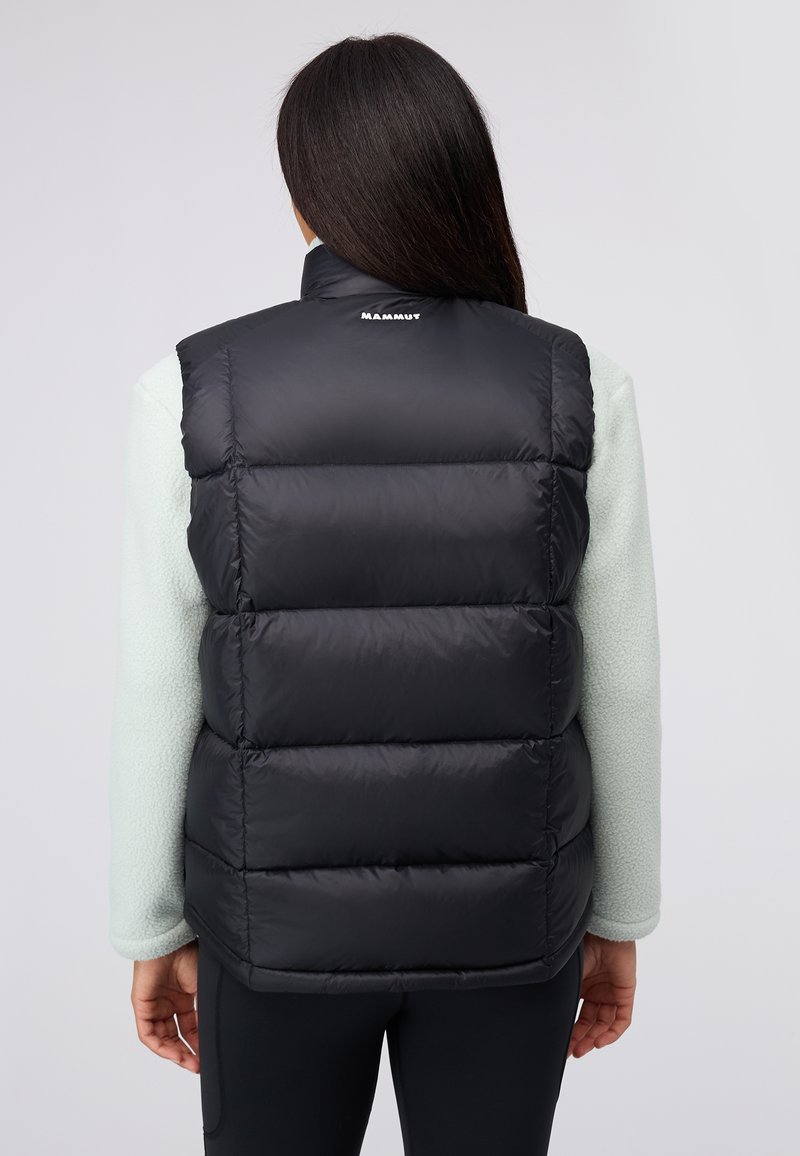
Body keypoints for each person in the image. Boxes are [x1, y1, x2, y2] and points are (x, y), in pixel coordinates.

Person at [109, 32, 661, 1156]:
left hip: (271, 931)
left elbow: (156, 681)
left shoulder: (195, 387)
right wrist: (619, 912)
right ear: (461, 180)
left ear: (304, 201)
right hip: (513, 929)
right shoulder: (577, 382)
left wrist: (149, 922)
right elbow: (622, 679)